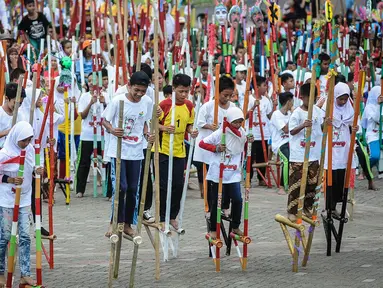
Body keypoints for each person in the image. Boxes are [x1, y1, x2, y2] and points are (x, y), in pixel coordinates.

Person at [103, 71, 156, 237]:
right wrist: (112, 129)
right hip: (119, 150)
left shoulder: (147, 101)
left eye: (143, 91)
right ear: (129, 86)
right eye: (136, 90)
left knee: (134, 189)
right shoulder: (118, 101)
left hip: (136, 151)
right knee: (121, 187)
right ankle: (114, 222)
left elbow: (145, 123)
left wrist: (148, 134)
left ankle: (127, 224)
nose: (139, 94)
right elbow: (104, 120)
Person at [0, 121, 44, 287]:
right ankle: (0, 272)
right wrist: (9, 179)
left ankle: (25, 274)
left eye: (29, 140)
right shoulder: (4, 154)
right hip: (6, 200)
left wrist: (37, 170)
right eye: (23, 140)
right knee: (4, 236)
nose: (26, 144)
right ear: (16, 138)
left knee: (25, 235)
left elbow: (34, 166)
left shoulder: (31, 150)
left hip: (25, 198)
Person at [199, 107, 253, 238]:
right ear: (229, 121)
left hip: (233, 173)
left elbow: (242, 148)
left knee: (238, 200)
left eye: (240, 122)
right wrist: (216, 148)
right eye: (235, 122)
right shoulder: (220, 132)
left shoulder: (242, 132)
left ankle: (235, 226)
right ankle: (213, 229)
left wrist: (249, 141)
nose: (238, 125)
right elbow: (202, 143)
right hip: (219, 173)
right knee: (216, 202)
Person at [158, 73, 198, 229]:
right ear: (173, 89)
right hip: (163, 149)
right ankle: (162, 216)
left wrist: (192, 131)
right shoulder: (164, 105)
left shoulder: (189, 105)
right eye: (180, 91)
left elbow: (189, 124)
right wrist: (165, 128)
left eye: (186, 91)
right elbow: (154, 125)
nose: (183, 94)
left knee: (178, 184)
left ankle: (173, 216)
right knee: (163, 185)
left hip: (179, 150)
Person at [193, 75, 236, 200]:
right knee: (208, 176)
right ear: (218, 92)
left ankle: (222, 203)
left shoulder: (232, 107)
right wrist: (210, 126)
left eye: (230, 95)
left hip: (225, 147)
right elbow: (199, 123)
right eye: (225, 95)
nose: (227, 98)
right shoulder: (207, 106)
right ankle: (208, 202)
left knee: (222, 176)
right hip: (209, 146)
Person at [287, 83, 324, 222]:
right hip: (299, 155)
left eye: (314, 98)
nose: (312, 101)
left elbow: (321, 125)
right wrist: (303, 125)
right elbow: (291, 130)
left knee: (312, 183)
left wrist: (327, 123)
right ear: (302, 97)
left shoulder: (318, 111)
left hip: (313, 154)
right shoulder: (297, 112)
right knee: (296, 184)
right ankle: (292, 210)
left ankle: (307, 208)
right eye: (309, 98)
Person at [324, 82, 357, 217]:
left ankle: (338, 205)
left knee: (342, 177)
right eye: (340, 99)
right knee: (332, 178)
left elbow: (354, 123)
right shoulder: (327, 106)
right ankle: (329, 208)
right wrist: (326, 123)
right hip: (331, 148)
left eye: (345, 99)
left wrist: (355, 128)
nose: (343, 102)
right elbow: (320, 126)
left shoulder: (350, 109)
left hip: (344, 148)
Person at [76, 74, 106, 198]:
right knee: (84, 162)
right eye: (88, 81)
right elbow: (82, 115)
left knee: (106, 162)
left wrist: (104, 103)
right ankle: (80, 189)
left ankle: (108, 190)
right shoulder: (84, 96)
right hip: (87, 135)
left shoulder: (106, 95)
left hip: (102, 135)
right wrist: (90, 102)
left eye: (93, 81)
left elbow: (109, 114)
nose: (90, 84)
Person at [248, 75, 273, 186]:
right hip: (253, 132)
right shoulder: (249, 99)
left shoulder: (266, 100)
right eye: (264, 85)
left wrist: (274, 104)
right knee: (250, 155)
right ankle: (248, 177)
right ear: (257, 87)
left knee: (263, 156)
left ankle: (261, 178)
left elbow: (270, 116)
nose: (266, 88)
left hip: (264, 133)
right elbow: (244, 116)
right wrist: (253, 107)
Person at [270, 92, 294, 195]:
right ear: (288, 102)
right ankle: (282, 186)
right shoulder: (276, 114)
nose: (293, 103)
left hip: (291, 142)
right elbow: (285, 129)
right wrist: (293, 115)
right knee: (286, 159)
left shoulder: (289, 114)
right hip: (279, 144)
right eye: (292, 101)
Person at [362, 86, 383, 178]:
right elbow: (377, 118)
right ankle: (366, 168)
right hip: (373, 135)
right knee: (375, 156)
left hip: (382, 134)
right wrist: (379, 105)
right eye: (379, 96)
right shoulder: (369, 107)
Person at [0, 83, 27, 148]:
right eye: (15, 103)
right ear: (7, 98)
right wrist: (7, 132)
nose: (17, 106)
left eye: (20, 103)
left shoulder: (20, 115)